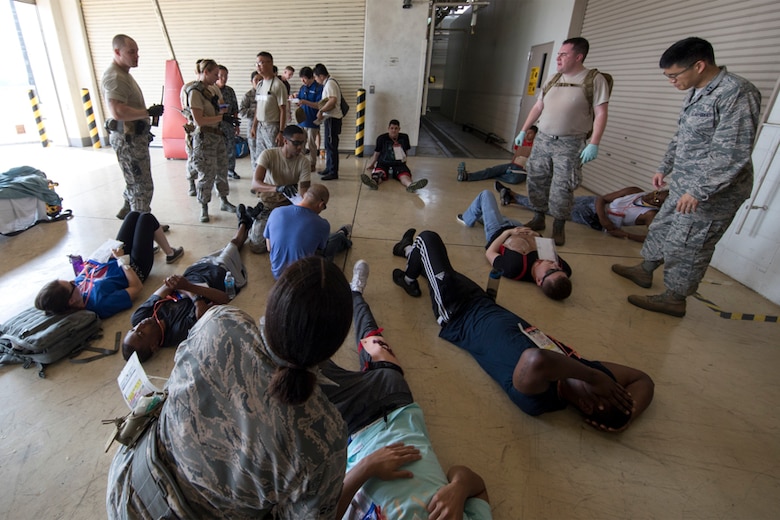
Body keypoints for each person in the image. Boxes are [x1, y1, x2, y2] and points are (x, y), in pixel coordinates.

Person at [107, 257, 423, 518]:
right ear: (334, 346)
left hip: (127, 487)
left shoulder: (219, 322)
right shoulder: (324, 438)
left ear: (272, 303)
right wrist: (366, 466)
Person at [391, 230, 654, 431]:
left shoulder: (539, 398)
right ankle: (406, 253)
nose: (600, 377)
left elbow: (536, 359)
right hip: (483, 302)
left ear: (585, 405)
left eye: (600, 385)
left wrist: (595, 377)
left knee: (428, 239)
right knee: (436, 265)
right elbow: (643, 380)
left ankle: (408, 276)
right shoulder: (585, 372)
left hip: (456, 314)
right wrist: (627, 414)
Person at [317, 260, 492, 518]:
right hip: (398, 405)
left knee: (305, 361)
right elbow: (476, 486)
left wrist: (368, 466)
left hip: (351, 428)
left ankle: (283, 333)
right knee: (372, 340)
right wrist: (459, 488)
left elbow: (323, 515)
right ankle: (355, 294)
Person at [612, 37, 761, 318]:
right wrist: (663, 167)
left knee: (690, 245)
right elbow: (682, 135)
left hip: (713, 193)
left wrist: (700, 190)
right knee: (664, 227)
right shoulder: (697, 90)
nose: (671, 81)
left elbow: (732, 153)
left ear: (700, 65)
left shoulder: (737, 93)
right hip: (684, 183)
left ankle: (674, 298)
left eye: (674, 75)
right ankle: (645, 270)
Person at [516, 37, 611, 246]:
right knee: (536, 179)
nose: (558, 58)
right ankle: (539, 217)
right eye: (558, 54)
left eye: (563, 54)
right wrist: (524, 130)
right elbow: (538, 107)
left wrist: (594, 142)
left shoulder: (594, 80)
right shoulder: (553, 78)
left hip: (570, 143)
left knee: (562, 186)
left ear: (578, 56)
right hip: (543, 140)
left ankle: (558, 225)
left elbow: (601, 113)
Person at [122, 210, 252, 362]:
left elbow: (169, 284)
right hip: (219, 276)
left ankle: (245, 221)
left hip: (195, 271)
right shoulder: (179, 332)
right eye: (140, 333)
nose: (139, 326)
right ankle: (245, 221)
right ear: (154, 346)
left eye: (134, 329)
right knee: (233, 245)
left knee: (225, 248)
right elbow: (223, 297)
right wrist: (188, 289)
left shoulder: (139, 317)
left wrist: (191, 293)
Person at [35, 212, 183, 320]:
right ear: (71, 301)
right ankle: (170, 253)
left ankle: (147, 245)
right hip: (135, 268)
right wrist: (122, 262)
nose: (74, 281)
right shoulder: (100, 303)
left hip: (115, 258)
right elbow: (136, 288)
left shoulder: (76, 291)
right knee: (146, 219)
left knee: (132, 216)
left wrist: (103, 256)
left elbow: (88, 273)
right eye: (71, 285)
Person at [451, 190, 572, 300]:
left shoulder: (514, 268)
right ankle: (483, 216)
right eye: (559, 268)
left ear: (539, 281)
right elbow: (545, 245)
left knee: (486, 195)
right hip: (518, 227)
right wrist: (535, 234)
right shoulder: (563, 270)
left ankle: (467, 218)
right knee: (492, 214)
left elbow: (490, 252)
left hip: (498, 231)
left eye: (551, 269)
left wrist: (507, 233)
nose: (555, 264)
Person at [101, 34, 164, 220]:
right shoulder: (115, 77)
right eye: (131, 52)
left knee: (136, 183)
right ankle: (141, 232)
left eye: (137, 52)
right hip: (128, 140)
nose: (136, 56)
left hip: (135, 138)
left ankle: (134, 216)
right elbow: (117, 111)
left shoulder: (124, 74)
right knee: (141, 188)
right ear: (117, 52)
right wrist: (147, 112)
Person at [497, 184, 668, 242]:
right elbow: (603, 198)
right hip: (594, 204)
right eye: (655, 193)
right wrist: (604, 218)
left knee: (554, 209)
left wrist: (625, 235)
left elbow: (651, 238)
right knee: (555, 203)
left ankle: (513, 196)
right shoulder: (635, 191)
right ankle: (513, 197)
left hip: (592, 217)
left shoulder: (649, 215)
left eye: (657, 200)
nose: (653, 197)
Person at [185, 59, 237, 223]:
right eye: (215, 74)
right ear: (205, 72)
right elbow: (199, 120)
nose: (217, 78)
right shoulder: (194, 92)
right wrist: (222, 116)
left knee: (222, 169)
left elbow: (222, 106)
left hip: (218, 135)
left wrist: (224, 112)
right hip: (204, 137)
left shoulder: (213, 89)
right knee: (206, 175)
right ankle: (204, 207)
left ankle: (224, 200)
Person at [263, 184, 352, 278]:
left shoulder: (276, 212)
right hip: (303, 278)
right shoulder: (322, 224)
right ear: (321, 205)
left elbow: (269, 247)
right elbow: (320, 249)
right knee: (334, 240)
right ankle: (341, 235)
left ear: (304, 195)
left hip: (278, 275)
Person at [248, 124, 312, 253]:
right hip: (269, 203)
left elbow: (304, 191)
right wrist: (278, 188)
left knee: (298, 242)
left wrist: (309, 205)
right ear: (285, 141)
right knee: (257, 247)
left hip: (289, 206)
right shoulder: (268, 155)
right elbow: (255, 184)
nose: (300, 147)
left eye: (302, 143)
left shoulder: (303, 162)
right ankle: (245, 222)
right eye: (296, 143)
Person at [362, 119, 428, 193]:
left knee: (404, 175)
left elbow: (405, 151)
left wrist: (404, 163)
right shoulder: (381, 138)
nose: (394, 130)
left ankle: (410, 185)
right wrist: (372, 164)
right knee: (379, 174)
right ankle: (373, 183)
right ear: (388, 129)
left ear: (399, 129)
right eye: (392, 128)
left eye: (396, 128)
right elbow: (376, 153)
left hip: (398, 163)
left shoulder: (404, 137)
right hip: (383, 163)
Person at [457, 126, 537, 184]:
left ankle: (493, 175)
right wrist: (512, 162)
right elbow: (516, 155)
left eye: (530, 133)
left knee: (513, 179)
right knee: (491, 170)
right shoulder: (521, 142)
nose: (527, 135)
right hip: (512, 165)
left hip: (522, 170)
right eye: (526, 133)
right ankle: (466, 176)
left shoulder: (536, 146)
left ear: (535, 135)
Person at [250, 51, 287, 168]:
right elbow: (258, 107)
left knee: (274, 158)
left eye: (261, 63)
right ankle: (259, 184)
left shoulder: (278, 85)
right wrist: (254, 126)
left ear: (270, 63)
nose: (258, 67)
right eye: (256, 64)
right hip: (261, 126)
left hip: (272, 127)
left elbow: (283, 110)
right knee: (260, 159)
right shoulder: (260, 84)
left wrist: (281, 132)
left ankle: (275, 184)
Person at [313, 63, 343, 181]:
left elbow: (332, 101)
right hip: (329, 118)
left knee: (331, 145)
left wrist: (321, 110)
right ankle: (328, 167)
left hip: (332, 119)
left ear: (321, 76)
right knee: (328, 144)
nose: (316, 80)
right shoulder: (329, 82)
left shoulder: (330, 83)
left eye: (315, 77)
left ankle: (333, 171)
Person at [294, 66, 324, 172]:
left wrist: (304, 102)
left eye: (304, 78)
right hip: (302, 121)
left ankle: (312, 163)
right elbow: (301, 100)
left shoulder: (319, 88)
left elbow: (319, 105)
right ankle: (301, 163)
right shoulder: (303, 88)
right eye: (301, 78)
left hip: (312, 121)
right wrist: (297, 101)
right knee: (300, 144)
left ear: (311, 77)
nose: (302, 81)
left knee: (311, 144)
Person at [216, 65, 241, 180]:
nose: (223, 78)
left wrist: (236, 125)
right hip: (215, 124)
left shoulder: (229, 91)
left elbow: (235, 108)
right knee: (216, 148)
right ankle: (217, 171)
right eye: (221, 76)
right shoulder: (211, 90)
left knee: (230, 147)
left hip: (229, 123)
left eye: (226, 76)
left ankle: (230, 169)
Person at [238, 71, 261, 168]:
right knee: (254, 152)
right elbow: (242, 111)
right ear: (251, 81)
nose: (259, 82)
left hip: (265, 127)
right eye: (256, 80)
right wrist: (256, 111)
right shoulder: (248, 95)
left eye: (261, 80)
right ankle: (256, 174)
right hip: (252, 126)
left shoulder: (267, 94)